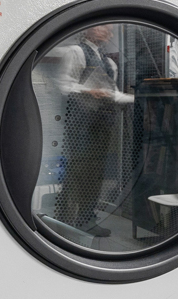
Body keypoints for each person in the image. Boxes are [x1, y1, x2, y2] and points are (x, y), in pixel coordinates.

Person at [44, 24, 133, 234]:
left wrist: (136, 99)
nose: (107, 32)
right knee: (76, 174)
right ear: (89, 29)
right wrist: (88, 91)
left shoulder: (110, 63)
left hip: (102, 127)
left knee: (95, 176)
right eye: (102, 27)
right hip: (80, 126)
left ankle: (86, 220)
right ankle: (65, 222)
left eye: (110, 29)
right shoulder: (76, 52)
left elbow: (114, 93)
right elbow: (64, 85)